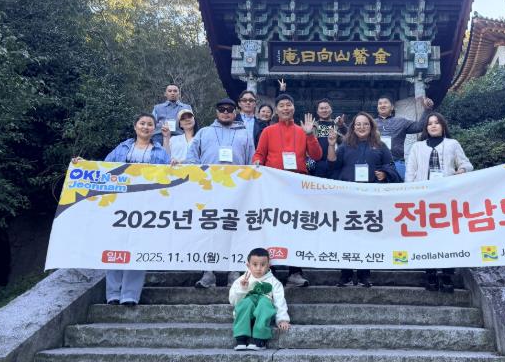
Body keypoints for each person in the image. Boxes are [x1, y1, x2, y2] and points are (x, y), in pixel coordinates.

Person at [73, 113, 169, 306]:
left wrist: (173, 165)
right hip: (119, 205)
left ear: (154, 129)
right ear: (135, 126)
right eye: (142, 123)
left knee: (138, 249)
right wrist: (84, 165)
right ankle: (113, 293)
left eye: (150, 124)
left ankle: (130, 295)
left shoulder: (160, 152)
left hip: (146, 208)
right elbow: (104, 168)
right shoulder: (122, 148)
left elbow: (169, 175)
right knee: (115, 247)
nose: (146, 127)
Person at [253, 93, 322, 287]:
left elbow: (316, 156)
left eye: (288, 105)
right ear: (276, 110)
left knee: (295, 227)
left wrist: (310, 135)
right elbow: (259, 154)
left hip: (296, 186)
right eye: (282, 105)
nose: (285, 108)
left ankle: (295, 271)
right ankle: (271, 271)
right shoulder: (268, 131)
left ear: (293, 108)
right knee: (273, 227)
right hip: (273, 185)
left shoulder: (302, 131)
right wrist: (256, 162)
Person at [186, 98, 255, 288]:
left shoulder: (245, 134)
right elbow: (191, 158)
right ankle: (208, 272)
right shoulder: (204, 132)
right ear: (216, 112)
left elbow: (251, 162)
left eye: (229, 109)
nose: (226, 112)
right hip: (209, 190)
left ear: (235, 112)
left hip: (237, 191)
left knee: (235, 230)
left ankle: (234, 271)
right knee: (209, 230)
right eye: (222, 109)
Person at [326, 112, 400, 288]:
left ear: (371, 126)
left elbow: (391, 166)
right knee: (346, 235)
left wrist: (384, 174)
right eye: (358, 124)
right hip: (348, 197)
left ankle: (364, 274)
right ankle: (345, 274)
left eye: (365, 124)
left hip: (370, 198)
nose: (361, 127)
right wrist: (331, 145)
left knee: (366, 236)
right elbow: (333, 164)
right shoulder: (345, 145)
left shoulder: (380, 145)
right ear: (353, 127)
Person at [405, 112, 474, 292]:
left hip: (446, 198)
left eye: (437, 123)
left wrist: (462, 170)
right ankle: (430, 273)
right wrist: (409, 193)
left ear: (443, 126)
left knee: (447, 235)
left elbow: (467, 164)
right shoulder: (417, 147)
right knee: (426, 235)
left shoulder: (453, 144)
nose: (433, 125)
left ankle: (447, 273)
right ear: (426, 128)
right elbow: (410, 172)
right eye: (430, 123)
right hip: (424, 197)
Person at [229, 247, 290, 351]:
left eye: (262, 265)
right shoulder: (242, 280)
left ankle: (259, 340)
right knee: (246, 302)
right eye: (255, 264)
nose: (258, 268)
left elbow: (280, 301)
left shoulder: (274, 282)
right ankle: (241, 339)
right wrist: (242, 289)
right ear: (248, 265)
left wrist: (282, 319)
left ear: (268, 265)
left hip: (264, 313)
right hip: (247, 313)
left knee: (264, 302)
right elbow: (233, 301)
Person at [375, 95, 434, 180]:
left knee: (401, 187)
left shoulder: (401, 122)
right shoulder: (371, 124)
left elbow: (419, 126)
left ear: (392, 107)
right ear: (377, 107)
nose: (382, 105)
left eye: (385, 103)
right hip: (377, 164)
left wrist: (427, 110)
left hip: (397, 163)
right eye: (380, 103)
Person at [312, 98, 347, 178]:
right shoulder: (313, 126)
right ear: (317, 111)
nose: (324, 110)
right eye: (321, 108)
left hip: (336, 165)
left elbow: (349, 137)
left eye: (326, 108)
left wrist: (342, 126)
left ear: (331, 110)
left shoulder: (338, 124)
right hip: (318, 165)